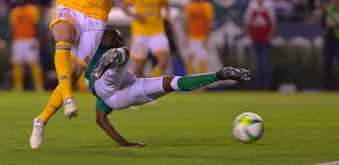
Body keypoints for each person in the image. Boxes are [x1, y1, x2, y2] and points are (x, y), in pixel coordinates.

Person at [29, 28, 251, 148]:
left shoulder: (97, 38)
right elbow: (99, 119)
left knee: (171, 82)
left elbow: (100, 119)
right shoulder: (90, 41)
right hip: (107, 89)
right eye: (114, 38)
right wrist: (124, 143)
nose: (113, 36)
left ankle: (220, 74)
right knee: (121, 59)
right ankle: (113, 59)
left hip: (127, 85)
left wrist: (125, 144)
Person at [121, 0, 171, 78]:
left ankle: (152, 87)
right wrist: (135, 15)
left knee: (163, 62)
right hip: (140, 31)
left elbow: (165, 4)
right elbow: (124, 6)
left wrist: (169, 17)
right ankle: (139, 94)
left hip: (157, 29)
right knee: (138, 67)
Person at [243, 0, 277, 90]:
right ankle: (258, 88)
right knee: (257, 66)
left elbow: (273, 22)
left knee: (265, 65)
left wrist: (269, 36)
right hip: (255, 39)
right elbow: (246, 22)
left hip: (265, 39)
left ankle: (266, 87)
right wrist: (249, 35)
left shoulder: (269, 4)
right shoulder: (252, 4)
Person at [9, 0, 43, 91]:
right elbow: (13, 27)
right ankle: (18, 86)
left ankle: (39, 86)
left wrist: (36, 40)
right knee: (17, 64)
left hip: (30, 39)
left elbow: (36, 25)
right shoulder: (14, 11)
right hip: (17, 40)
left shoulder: (33, 9)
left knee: (34, 63)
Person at [183, 0, 215, 74]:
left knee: (202, 61)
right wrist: (186, 38)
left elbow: (209, 23)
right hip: (191, 37)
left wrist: (207, 38)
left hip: (202, 38)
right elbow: (187, 22)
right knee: (189, 60)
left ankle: (202, 86)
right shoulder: (189, 6)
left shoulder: (207, 6)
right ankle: (191, 84)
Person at [322, 0, 339, 91]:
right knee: (327, 65)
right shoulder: (328, 10)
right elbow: (325, 24)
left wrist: (333, 24)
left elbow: (330, 24)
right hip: (329, 40)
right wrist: (335, 24)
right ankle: (327, 87)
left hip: (338, 40)